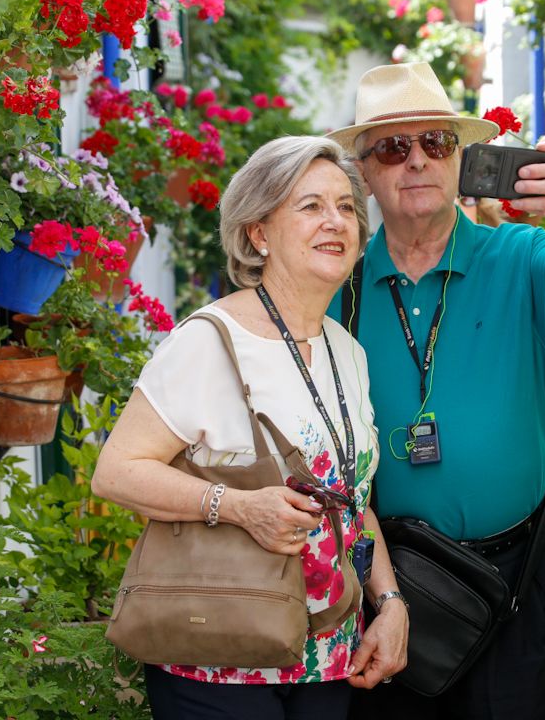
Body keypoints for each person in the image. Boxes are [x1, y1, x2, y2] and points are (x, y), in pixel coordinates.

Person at [327, 62, 545, 718]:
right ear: (365, 173)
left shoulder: (517, 255)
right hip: (388, 587)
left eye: (436, 142)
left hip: (511, 580)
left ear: (459, 158)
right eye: (392, 148)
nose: (416, 161)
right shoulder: (339, 287)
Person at [92, 136, 409, 720]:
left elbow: (351, 497)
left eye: (346, 206)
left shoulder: (346, 351)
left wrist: (388, 602)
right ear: (259, 233)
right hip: (220, 652)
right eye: (310, 206)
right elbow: (115, 473)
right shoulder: (209, 340)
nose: (335, 220)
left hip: (327, 656)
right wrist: (237, 506)